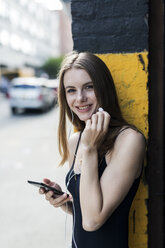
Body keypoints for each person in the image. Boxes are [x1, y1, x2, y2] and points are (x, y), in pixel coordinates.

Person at [39, 51, 146, 248]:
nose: (80, 98)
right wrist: (64, 202)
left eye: (89, 87)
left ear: (104, 88)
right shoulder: (76, 141)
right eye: (71, 90)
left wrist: (89, 148)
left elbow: (93, 221)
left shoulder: (130, 140)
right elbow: (84, 210)